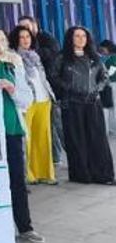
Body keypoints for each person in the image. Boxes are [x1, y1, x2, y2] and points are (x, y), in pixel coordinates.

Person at [0, 30, 43, 243]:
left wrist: (12, 89)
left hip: (10, 130)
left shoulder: (11, 68)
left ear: (1, 47)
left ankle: (25, 228)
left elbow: (27, 99)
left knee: (16, 182)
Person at [49, 26, 115, 184]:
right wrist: (68, 87)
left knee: (97, 139)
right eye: (77, 36)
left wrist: (96, 89)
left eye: (83, 36)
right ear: (70, 38)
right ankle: (81, 175)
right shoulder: (62, 57)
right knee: (76, 140)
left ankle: (103, 175)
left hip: (93, 102)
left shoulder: (95, 57)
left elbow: (104, 77)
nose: (80, 39)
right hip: (71, 103)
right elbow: (53, 76)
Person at [10, 25, 57, 185]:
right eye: (22, 37)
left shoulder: (35, 56)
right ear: (16, 39)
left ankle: (45, 173)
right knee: (28, 140)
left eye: (28, 37)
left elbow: (42, 77)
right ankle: (29, 174)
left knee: (44, 139)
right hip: (27, 102)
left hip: (44, 99)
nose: (25, 40)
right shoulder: (13, 58)